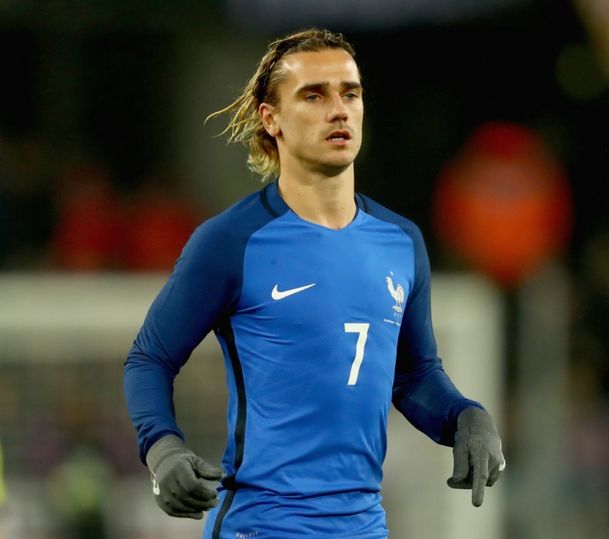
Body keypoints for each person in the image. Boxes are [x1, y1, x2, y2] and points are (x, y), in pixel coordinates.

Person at [123, 28, 505, 538]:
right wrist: (162, 448)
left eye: (351, 92)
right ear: (271, 118)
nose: (339, 109)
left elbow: (412, 375)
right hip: (261, 525)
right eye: (314, 95)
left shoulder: (400, 242)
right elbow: (150, 358)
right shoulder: (232, 241)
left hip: (363, 526)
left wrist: (465, 417)